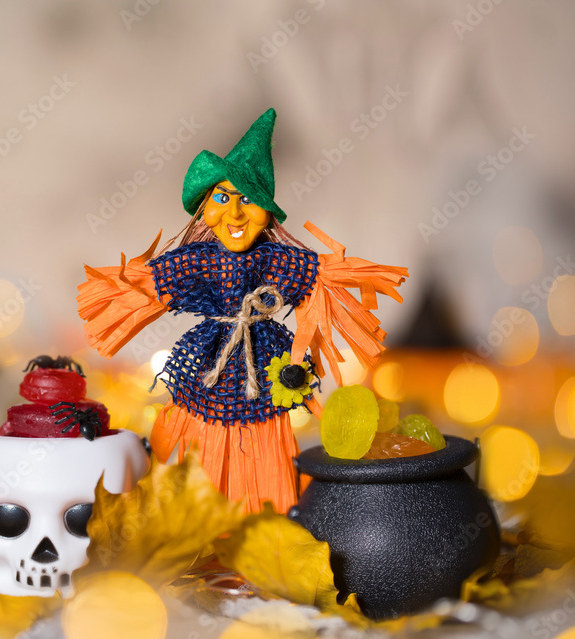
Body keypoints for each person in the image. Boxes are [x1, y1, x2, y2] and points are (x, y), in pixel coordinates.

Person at [77, 108, 408, 512]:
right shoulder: (194, 262)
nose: (234, 214)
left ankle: (266, 508)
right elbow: (148, 285)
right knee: (197, 418)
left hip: (266, 364)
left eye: (247, 200)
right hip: (208, 361)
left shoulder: (280, 262)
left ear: (267, 210)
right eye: (222, 198)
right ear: (205, 205)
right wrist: (114, 309)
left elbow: (322, 279)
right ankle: (194, 506)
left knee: (265, 427)